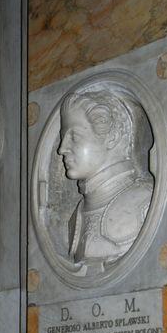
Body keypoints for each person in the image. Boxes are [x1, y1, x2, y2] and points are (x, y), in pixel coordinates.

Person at [57, 88, 154, 265]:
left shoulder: (145, 202)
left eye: (74, 137)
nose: (62, 148)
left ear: (112, 137)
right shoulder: (75, 218)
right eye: (63, 138)